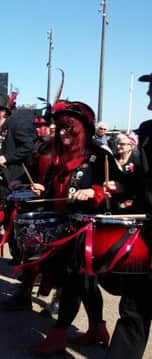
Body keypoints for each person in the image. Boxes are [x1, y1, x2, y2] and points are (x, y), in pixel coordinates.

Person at [26, 100, 111, 355]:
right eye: (60, 127)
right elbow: (59, 189)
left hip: (88, 233)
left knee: (74, 283)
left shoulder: (100, 156)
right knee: (85, 284)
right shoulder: (62, 157)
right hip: (66, 229)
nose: (62, 132)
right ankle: (97, 328)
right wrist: (44, 189)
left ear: (83, 128)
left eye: (68, 128)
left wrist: (95, 191)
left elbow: (118, 191)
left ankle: (58, 334)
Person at [105, 72, 152, 359]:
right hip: (147, 232)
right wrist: (122, 186)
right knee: (134, 308)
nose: (148, 101)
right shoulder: (147, 130)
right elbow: (142, 179)